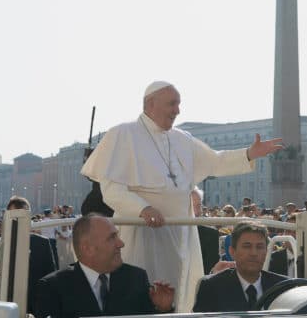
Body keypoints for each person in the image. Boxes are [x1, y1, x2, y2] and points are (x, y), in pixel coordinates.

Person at [80, 81, 283, 312]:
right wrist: (143, 209)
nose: (177, 110)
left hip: (180, 234)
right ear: (150, 104)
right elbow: (111, 189)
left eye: (178, 104)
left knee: (180, 297)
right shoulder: (123, 134)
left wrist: (248, 153)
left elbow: (215, 161)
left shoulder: (182, 139)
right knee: (141, 296)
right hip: (142, 232)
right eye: (172, 104)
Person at [35, 213, 174, 318]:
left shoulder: (136, 278)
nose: (121, 244)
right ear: (88, 248)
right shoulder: (53, 287)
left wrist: (163, 309)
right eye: (112, 238)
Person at [0, 196, 56, 317]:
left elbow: (50, 277)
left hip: (33, 309)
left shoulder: (43, 244)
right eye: (15, 216)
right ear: (7, 216)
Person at [193, 221, 287, 312]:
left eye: (259, 247)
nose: (253, 253)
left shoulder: (282, 287)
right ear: (232, 251)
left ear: (266, 252)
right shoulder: (211, 287)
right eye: (247, 246)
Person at [191, 187, 220, 274]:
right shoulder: (167, 235)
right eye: (191, 206)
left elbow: (210, 271)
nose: (196, 212)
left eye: (199, 206)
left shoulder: (211, 235)